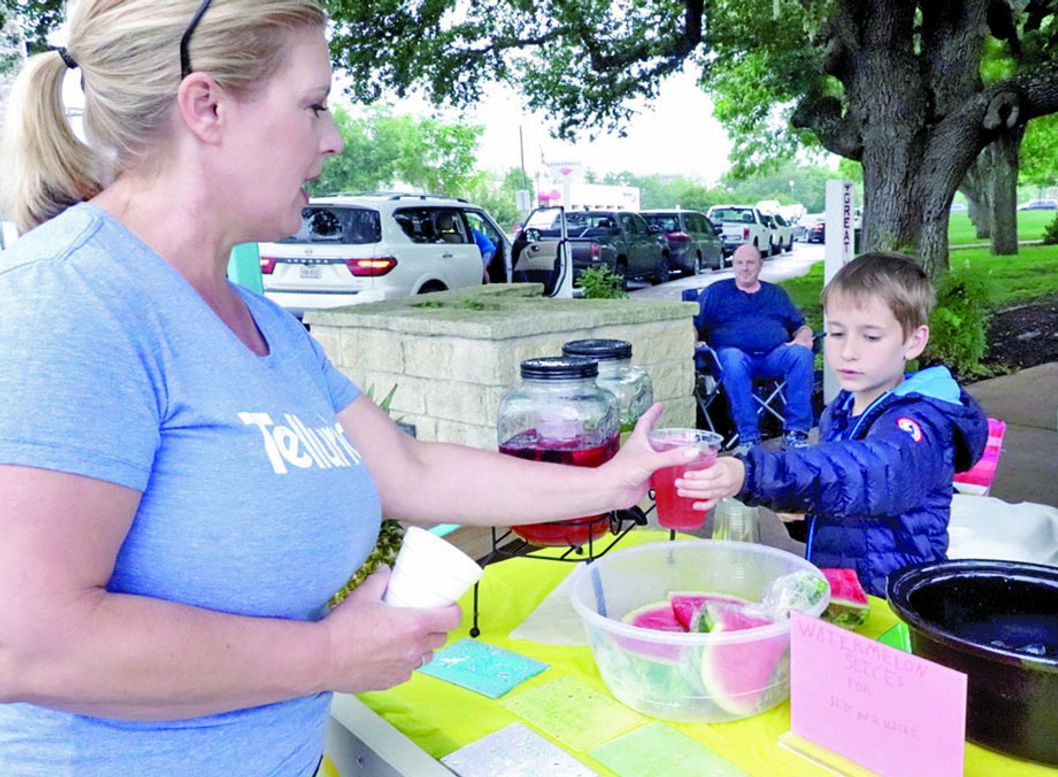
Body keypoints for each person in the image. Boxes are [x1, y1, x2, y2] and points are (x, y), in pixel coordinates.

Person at [0, 3, 693, 774]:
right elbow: (29, 643)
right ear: (206, 107)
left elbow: (410, 470)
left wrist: (615, 478)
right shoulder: (70, 300)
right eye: (313, 105)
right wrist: (326, 653)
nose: (332, 138)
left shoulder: (262, 322)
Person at [680, 252, 989, 598]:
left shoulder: (921, 421)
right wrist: (807, 512)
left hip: (896, 603)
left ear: (913, 341)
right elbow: (840, 489)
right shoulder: (841, 410)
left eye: (870, 337)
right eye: (838, 334)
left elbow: (870, 470)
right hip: (846, 596)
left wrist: (753, 473)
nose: (848, 352)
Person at [694, 243, 814, 451]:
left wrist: (804, 337)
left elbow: (800, 326)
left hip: (772, 358)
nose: (745, 268)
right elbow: (694, 325)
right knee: (732, 357)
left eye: (750, 262)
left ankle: (796, 433)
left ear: (760, 265)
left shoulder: (776, 294)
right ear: (733, 265)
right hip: (731, 360)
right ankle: (749, 438)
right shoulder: (715, 293)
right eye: (739, 263)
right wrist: (693, 340)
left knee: (800, 354)